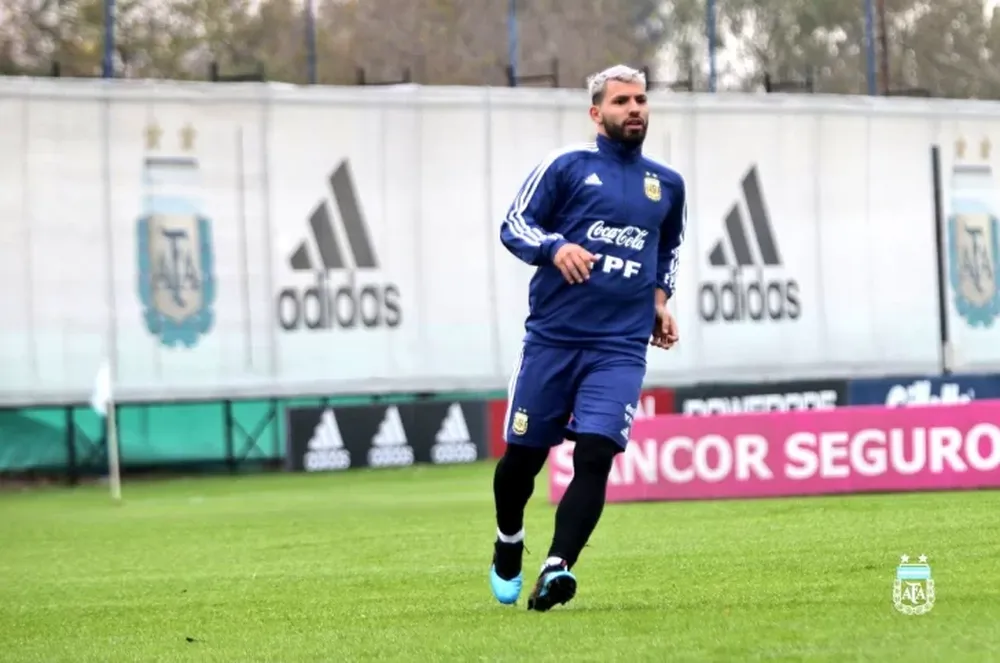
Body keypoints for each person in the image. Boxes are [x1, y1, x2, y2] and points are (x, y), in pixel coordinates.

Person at [489, 64, 687, 611]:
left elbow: (666, 251)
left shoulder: (666, 184)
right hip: (553, 340)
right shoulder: (567, 166)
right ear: (596, 112)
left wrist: (659, 302)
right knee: (522, 464)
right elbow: (515, 224)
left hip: (619, 348)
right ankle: (509, 542)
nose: (635, 109)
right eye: (622, 101)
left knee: (597, 453)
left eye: (641, 100)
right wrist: (554, 247)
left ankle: (558, 566)